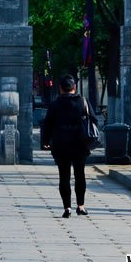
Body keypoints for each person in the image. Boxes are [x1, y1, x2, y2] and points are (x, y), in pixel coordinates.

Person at [41, 74, 91, 218]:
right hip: (80, 144)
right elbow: (93, 119)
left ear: (60, 88)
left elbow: (47, 124)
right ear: (74, 87)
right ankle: (80, 206)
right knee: (80, 174)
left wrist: (45, 141)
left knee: (64, 175)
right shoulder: (82, 102)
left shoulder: (55, 104)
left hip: (60, 144)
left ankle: (67, 207)